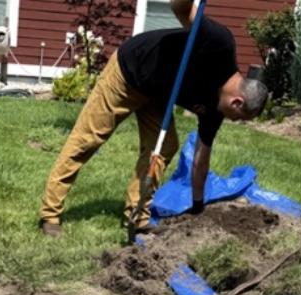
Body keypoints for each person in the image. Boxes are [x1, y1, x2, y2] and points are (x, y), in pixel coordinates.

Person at [38, 0, 268, 238]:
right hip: (129, 73)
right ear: (237, 102)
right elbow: (180, 9)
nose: (235, 122)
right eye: (239, 118)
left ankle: (137, 217)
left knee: (165, 147)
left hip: (159, 94)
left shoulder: (215, 110)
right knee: (87, 140)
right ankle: (50, 214)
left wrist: (198, 205)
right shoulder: (219, 44)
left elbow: (201, 158)